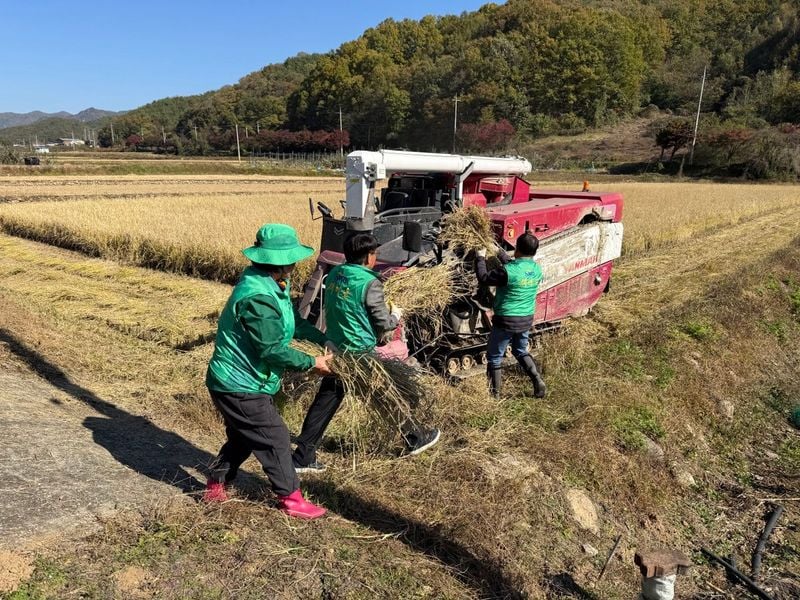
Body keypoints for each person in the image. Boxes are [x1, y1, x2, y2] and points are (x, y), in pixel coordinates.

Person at [204, 223, 335, 519]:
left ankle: (216, 481)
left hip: (244, 379)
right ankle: (291, 498)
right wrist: (312, 363)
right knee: (274, 436)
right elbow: (272, 350)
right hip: (237, 382)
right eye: (292, 258)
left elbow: (293, 322)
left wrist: (321, 337)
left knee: (243, 436)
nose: (295, 263)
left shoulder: (272, 284)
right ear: (281, 261)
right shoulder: (258, 297)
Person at [292, 232, 440, 473]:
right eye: (375, 254)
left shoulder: (336, 274)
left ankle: (304, 454)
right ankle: (414, 437)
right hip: (360, 353)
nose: (375, 257)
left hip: (336, 347)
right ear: (369, 256)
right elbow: (383, 323)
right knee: (386, 393)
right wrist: (397, 315)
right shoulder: (370, 283)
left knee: (326, 401)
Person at [476, 231, 546, 399]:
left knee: (494, 357)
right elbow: (515, 267)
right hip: (526, 319)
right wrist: (498, 251)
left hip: (506, 320)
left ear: (516, 250)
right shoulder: (536, 269)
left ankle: (495, 397)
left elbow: (484, 277)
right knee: (520, 350)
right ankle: (537, 379)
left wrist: (480, 257)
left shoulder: (507, 272)